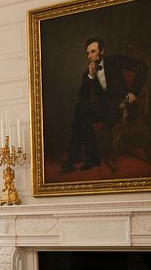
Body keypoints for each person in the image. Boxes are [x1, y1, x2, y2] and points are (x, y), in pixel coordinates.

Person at [62, 37, 148, 172]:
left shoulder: (116, 60)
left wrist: (134, 92)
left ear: (101, 51)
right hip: (106, 110)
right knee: (81, 109)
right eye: (88, 53)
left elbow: (143, 67)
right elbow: (82, 98)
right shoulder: (88, 73)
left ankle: (82, 157)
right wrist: (90, 76)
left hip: (123, 107)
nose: (89, 56)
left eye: (93, 52)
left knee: (82, 113)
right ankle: (86, 158)